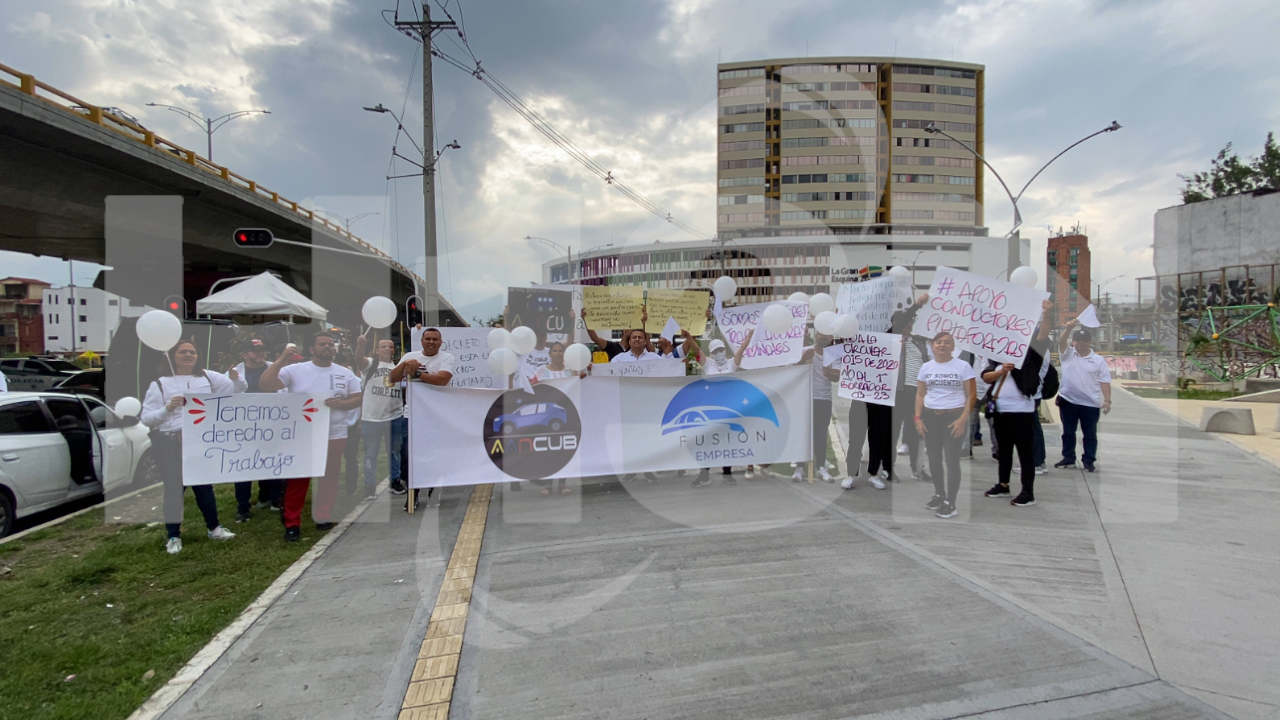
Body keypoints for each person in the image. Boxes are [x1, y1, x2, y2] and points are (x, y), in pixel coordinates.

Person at [260, 332, 363, 541]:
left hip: (335, 433)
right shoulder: (294, 370)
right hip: (304, 434)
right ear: (312, 349)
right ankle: (292, 523)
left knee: (329, 477)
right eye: (322, 344)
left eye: (330, 344)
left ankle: (323, 516)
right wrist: (280, 360)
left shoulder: (345, 373)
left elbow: (357, 398)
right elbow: (266, 384)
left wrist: (341, 404)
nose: (328, 347)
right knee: (299, 479)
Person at [141, 339, 237, 554]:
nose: (188, 355)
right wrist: (167, 408)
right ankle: (173, 535)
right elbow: (146, 418)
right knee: (174, 490)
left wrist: (236, 380)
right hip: (170, 444)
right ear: (173, 355)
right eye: (183, 352)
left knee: (204, 487)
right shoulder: (160, 384)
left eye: (192, 352)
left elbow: (233, 390)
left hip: (198, 443)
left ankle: (214, 528)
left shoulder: (206, 378)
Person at [980, 301, 1052, 506]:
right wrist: (1002, 370)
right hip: (1001, 410)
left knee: (1025, 452)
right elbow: (986, 377)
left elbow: (1043, 334)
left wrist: (1047, 314)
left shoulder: (1032, 355)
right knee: (1004, 451)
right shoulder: (998, 356)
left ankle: (1027, 492)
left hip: (1023, 411)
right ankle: (1003, 484)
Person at [389, 327, 455, 506]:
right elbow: (392, 377)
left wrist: (417, 373)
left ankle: (434, 493)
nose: (431, 342)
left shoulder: (447, 358)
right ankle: (413, 495)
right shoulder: (410, 357)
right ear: (422, 341)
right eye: (428, 339)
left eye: (435, 339)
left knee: (434, 455)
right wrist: (404, 366)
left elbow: (442, 380)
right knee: (410, 456)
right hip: (412, 415)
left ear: (441, 342)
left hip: (436, 416)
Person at [914, 331, 976, 519]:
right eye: (938, 342)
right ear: (932, 345)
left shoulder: (963, 366)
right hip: (931, 417)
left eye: (947, 342)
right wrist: (918, 418)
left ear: (953, 346)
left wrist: (962, 420)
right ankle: (939, 494)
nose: (942, 345)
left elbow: (971, 395)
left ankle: (951, 502)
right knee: (933, 458)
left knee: (951, 459)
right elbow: (920, 394)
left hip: (953, 417)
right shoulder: (925, 367)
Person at [684, 331, 752, 486]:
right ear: (711, 353)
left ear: (725, 351)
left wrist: (747, 339)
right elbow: (696, 350)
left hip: (728, 409)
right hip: (710, 410)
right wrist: (689, 338)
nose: (719, 353)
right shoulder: (707, 363)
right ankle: (704, 474)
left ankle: (727, 474)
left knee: (726, 441)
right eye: (715, 351)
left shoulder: (731, 363)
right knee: (706, 442)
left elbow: (741, 350)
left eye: (721, 350)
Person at [229, 337, 279, 518]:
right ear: (244, 354)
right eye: (255, 350)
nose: (261, 354)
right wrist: (233, 381)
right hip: (244, 427)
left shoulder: (274, 368)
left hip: (271, 424)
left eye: (263, 350)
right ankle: (243, 506)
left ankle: (271, 498)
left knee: (271, 461)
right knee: (243, 466)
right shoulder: (234, 373)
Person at [1054, 325, 1112, 472]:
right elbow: (1061, 343)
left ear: (1089, 341)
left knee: (1090, 434)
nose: (1081, 343)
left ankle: (1089, 460)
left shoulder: (1098, 360)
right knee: (1068, 432)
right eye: (1078, 340)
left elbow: (1104, 381)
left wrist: (1107, 400)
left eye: (1084, 340)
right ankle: (1068, 458)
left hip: (1090, 404)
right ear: (1074, 341)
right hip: (1068, 400)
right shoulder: (1068, 354)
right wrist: (1067, 329)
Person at [356, 336, 405, 499]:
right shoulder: (371, 364)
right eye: (383, 346)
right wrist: (360, 345)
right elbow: (359, 360)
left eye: (390, 347)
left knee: (394, 451)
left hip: (395, 416)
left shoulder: (398, 366)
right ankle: (369, 486)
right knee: (371, 453)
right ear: (377, 350)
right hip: (372, 418)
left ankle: (395, 480)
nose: (388, 349)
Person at [793, 329, 839, 483]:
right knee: (803, 433)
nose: (824, 337)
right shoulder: (805, 351)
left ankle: (821, 468)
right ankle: (799, 468)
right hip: (805, 398)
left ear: (831, 336)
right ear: (816, 334)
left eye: (827, 335)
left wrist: (828, 372)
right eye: (821, 334)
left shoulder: (833, 354)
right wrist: (802, 361)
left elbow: (837, 377)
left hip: (824, 399)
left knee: (820, 434)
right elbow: (791, 371)